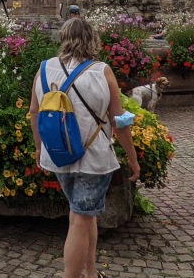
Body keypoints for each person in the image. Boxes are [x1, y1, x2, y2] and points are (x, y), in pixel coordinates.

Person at [28, 18, 139, 278]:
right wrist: (132, 159)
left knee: (82, 214)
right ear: (92, 40)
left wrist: (38, 148)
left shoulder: (44, 68)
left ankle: (91, 272)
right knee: (80, 217)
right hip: (94, 157)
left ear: (63, 38)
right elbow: (120, 121)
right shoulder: (101, 71)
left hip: (58, 155)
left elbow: (34, 111)